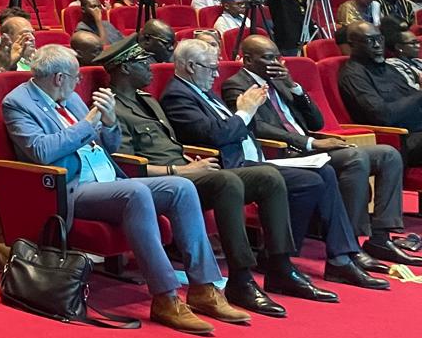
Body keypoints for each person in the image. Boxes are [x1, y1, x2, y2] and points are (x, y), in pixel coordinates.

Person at [1, 45, 234, 332]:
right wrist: (88, 123)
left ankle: (203, 287)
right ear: (59, 78)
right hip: (70, 187)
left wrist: (110, 123)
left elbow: (108, 146)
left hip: (108, 178)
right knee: (135, 193)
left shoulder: (70, 97)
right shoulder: (18, 103)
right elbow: (41, 151)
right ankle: (165, 297)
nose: (79, 83)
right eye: (76, 77)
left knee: (182, 187)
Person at [100, 39, 316, 314]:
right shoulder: (113, 107)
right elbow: (125, 165)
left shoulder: (147, 100)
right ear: (125, 69)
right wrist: (179, 170)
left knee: (268, 176)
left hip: (187, 171)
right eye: (143, 63)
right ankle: (241, 279)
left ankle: (280, 266)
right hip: (162, 181)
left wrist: (189, 161)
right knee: (227, 181)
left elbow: (170, 146)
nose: (152, 68)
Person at [160, 40, 386, 291]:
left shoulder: (204, 90)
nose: (216, 74)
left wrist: (251, 111)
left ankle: (339, 258)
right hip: (228, 167)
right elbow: (217, 135)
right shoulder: (177, 96)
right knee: (306, 180)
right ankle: (279, 261)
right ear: (191, 66)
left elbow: (312, 122)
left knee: (322, 172)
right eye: (211, 68)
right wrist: (245, 112)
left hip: (252, 160)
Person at [226, 34, 417, 267]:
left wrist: (294, 87)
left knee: (388, 154)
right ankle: (351, 244)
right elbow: (256, 126)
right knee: (354, 158)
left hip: (310, 145)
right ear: (248, 60)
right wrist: (309, 143)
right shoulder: (236, 85)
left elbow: (316, 122)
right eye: (268, 58)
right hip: (288, 151)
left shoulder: (281, 81)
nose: (276, 63)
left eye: (278, 57)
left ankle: (380, 238)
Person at [338, 20, 422, 166]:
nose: (377, 45)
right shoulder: (354, 75)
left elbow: (413, 98)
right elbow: (382, 116)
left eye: (379, 39)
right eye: (369, 41)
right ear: (352, 44)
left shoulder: (388, 68)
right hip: (400, 138)